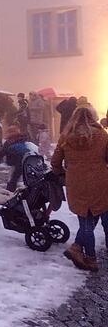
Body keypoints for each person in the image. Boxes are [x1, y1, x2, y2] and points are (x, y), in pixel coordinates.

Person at [52, 107, 108, 272]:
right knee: (105, 215)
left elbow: (55, 163)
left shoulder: (66, 137)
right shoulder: (103, 136)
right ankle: (78, 249)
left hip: (76, 182)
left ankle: (90, 258)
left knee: (85, 222)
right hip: (100, 181)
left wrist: (64, 173)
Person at [0, 125, 33, 192]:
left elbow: (2, 152)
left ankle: (10, 194)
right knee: (23, 178)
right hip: (25, 162)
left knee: (12, 179)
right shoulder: (23, 141)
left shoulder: (9, 143)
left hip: (16, 163)